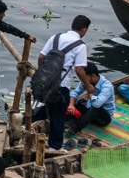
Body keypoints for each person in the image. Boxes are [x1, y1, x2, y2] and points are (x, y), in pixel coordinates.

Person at [34, 16, 91, 150]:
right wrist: (88, 86)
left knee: (44, 109)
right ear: (84, 30)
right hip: (61, 86)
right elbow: (79, 69)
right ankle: (55, 147)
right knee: (58, 116)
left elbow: (41, 57)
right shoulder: (80, 46)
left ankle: (29, 134)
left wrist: (43, 76)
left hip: (46, 83)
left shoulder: (55, 37)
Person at [71, 62, 116, 138]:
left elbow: (97, 104)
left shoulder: (107, 86)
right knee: (71, 101)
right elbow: (75, 92)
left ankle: (75, 128)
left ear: (93, 76)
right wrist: (71, 104)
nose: (83, 80)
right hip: (89, 110)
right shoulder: (85, 81)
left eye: (85, 77)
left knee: (96, 108)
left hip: (103, 118)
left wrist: (90, 92)